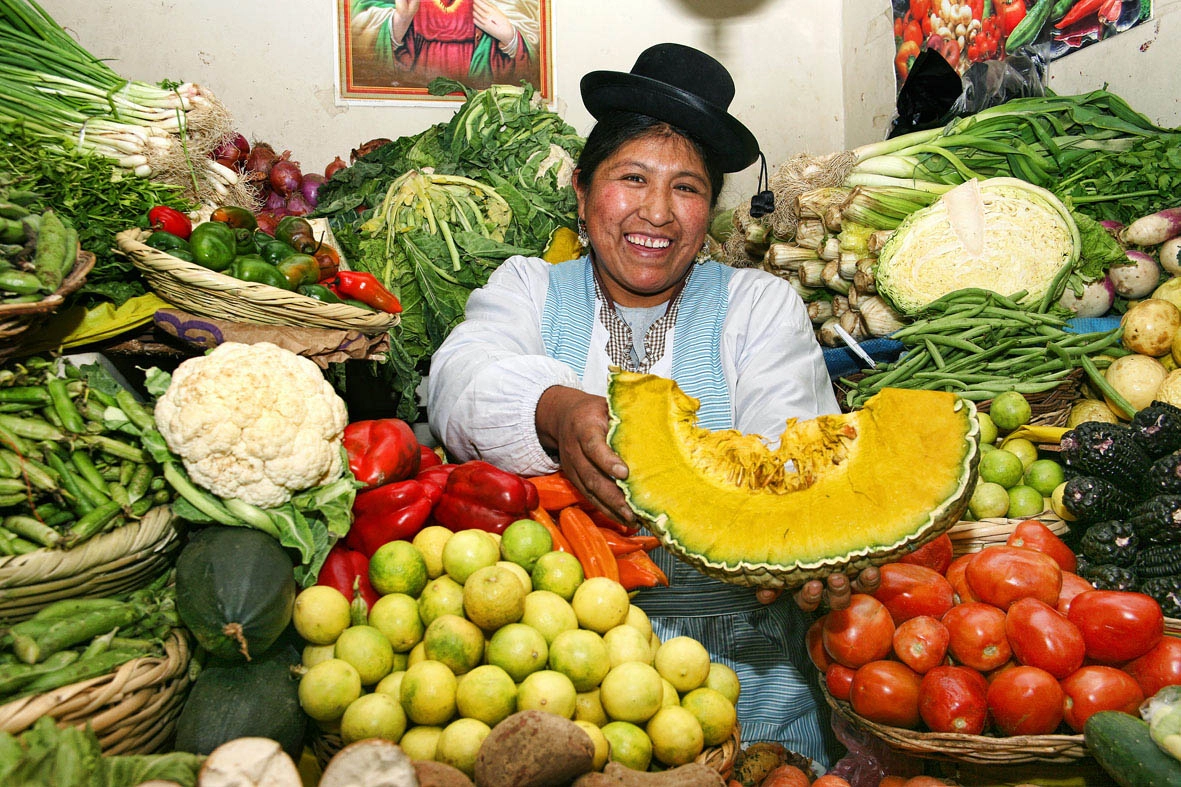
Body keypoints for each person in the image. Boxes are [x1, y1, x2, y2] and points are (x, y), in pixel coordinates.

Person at [427, 42, 879, 766]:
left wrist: (807, 526)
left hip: (741, 675)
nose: (656, 213)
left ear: (710, 209)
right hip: (549, 667)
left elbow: (793, 446)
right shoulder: (527, 289)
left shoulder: (755, 305)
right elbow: (457, 379)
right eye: (631, 178)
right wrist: (553, 409)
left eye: (688, 188)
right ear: (581, 191)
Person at [350, 0, 538, 88]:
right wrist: (399, 21)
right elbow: (357, 23)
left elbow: (532, 28)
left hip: (477, 76)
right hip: (418, 73)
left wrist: (510, 37)